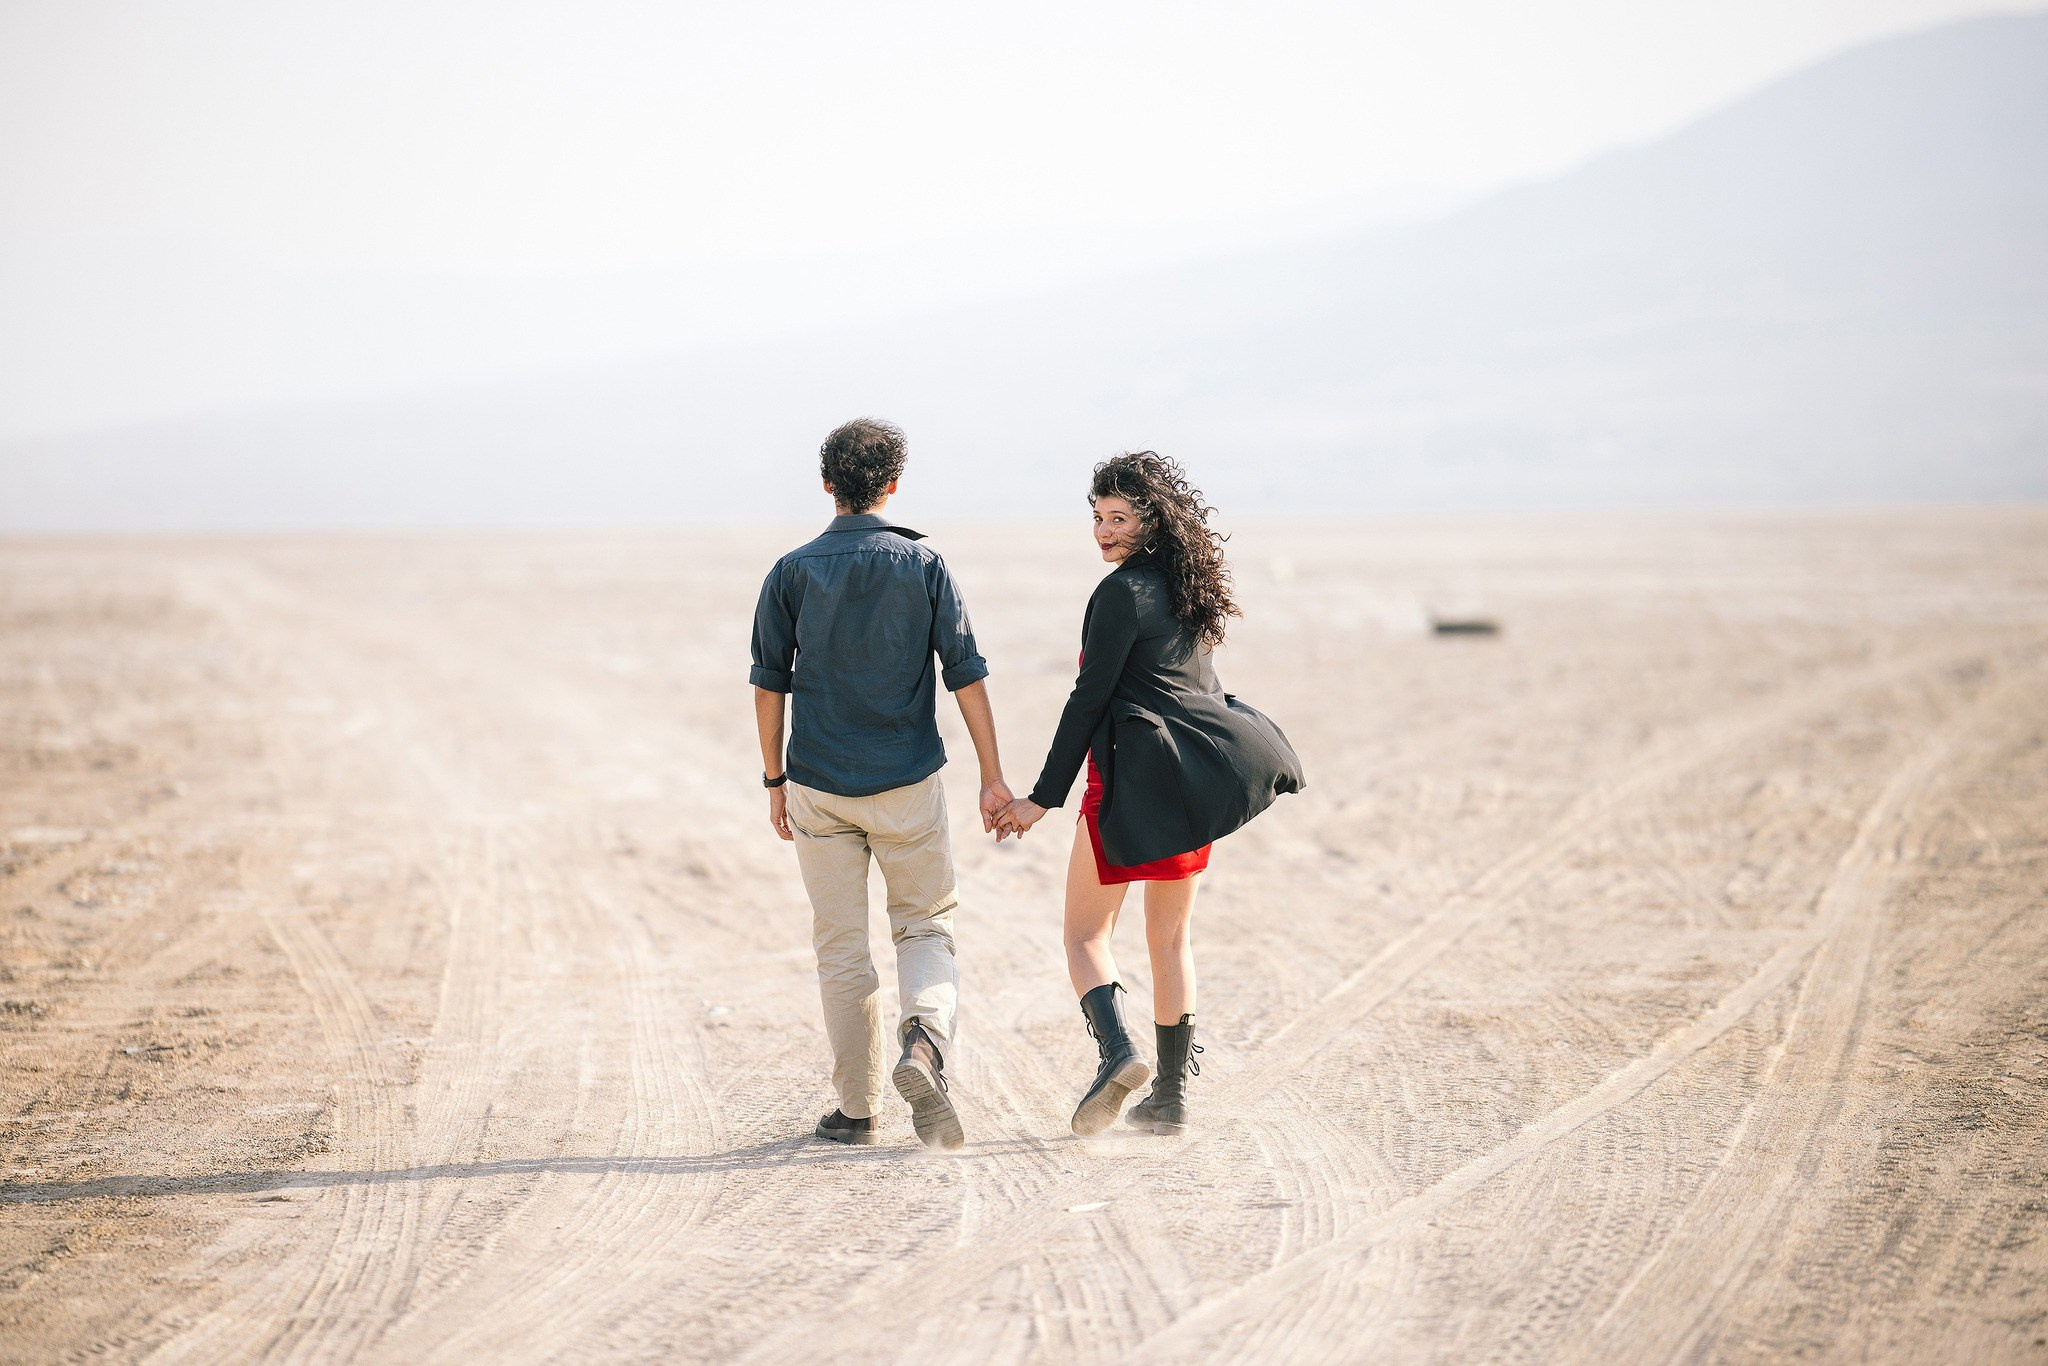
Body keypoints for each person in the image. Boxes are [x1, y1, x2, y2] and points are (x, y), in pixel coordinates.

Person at [998, 452, 1303, 1137]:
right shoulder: (1187, 589)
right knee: (1170, 940)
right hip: (1190, 787)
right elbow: (1202, 689)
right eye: (1097, 517)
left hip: (1126, 786)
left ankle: (1118, 1054)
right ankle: (1168, 1097)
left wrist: (1042, 798)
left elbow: (1088, 699)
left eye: (1119, 519)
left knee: (1084, 935)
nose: (1104, 532)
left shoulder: (1118, 594)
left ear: (1152, 522)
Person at [750, 418, 1014, 1150]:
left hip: (818, 784)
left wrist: (774, 779)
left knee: (841, 948)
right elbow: (966, 675)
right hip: (907, 782)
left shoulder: (790, 572)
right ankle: (924, 1043)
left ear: (826, 483)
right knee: (925, 925)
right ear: (893, 485)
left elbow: (768, 686)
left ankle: (857, 1109)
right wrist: (992, 776)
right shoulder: (924, 564)